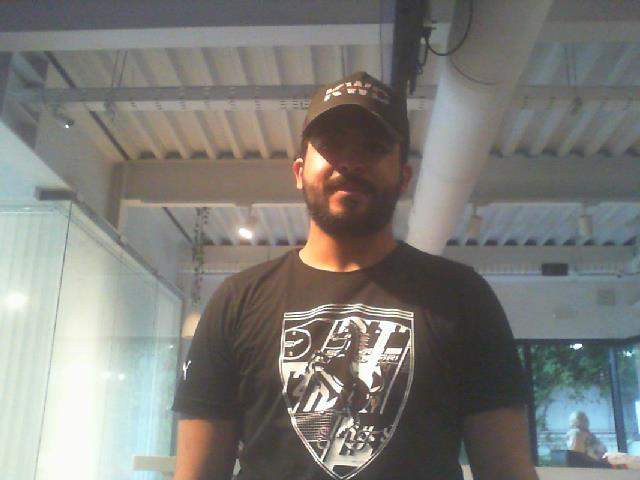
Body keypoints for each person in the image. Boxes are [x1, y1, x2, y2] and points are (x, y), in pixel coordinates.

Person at [172, 71, 538, 480]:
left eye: (374, 147)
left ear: (403, 177)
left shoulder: (461, 296)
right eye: (330, 145)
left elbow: (507, 469)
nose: (350, 161)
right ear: (299, 171)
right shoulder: (237, 300)